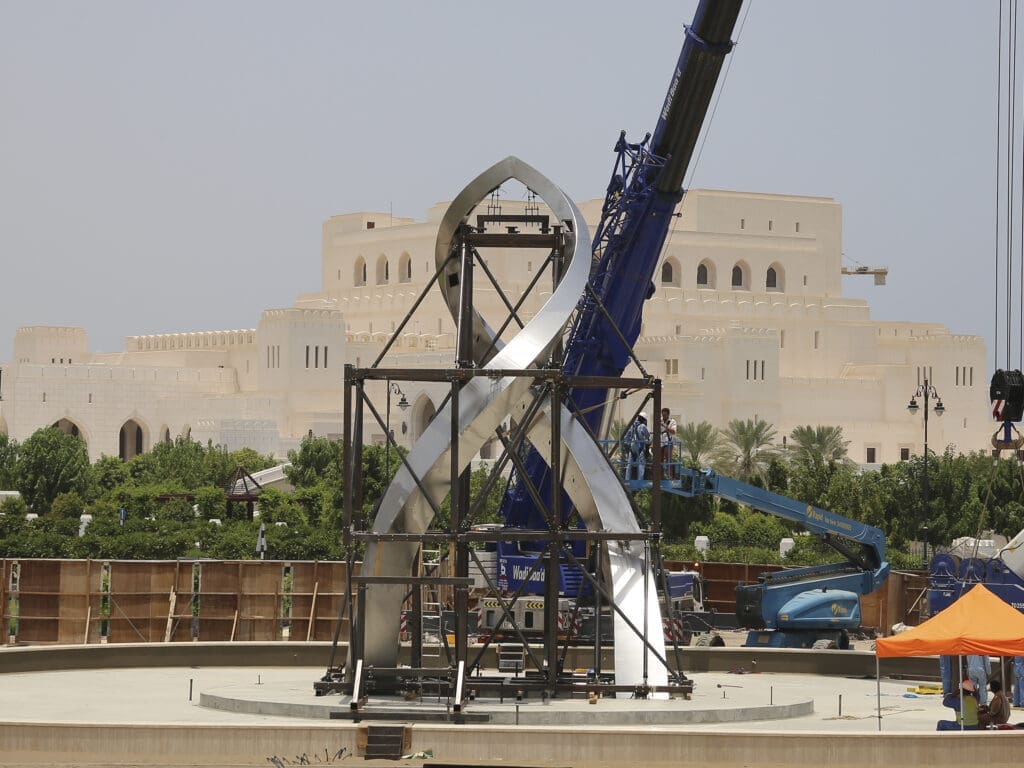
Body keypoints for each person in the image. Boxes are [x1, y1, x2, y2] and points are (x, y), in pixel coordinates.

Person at [623, 413, 650, 482]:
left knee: (629, 464)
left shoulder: (632, 425)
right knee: (641, 464)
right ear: (644, 420)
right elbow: (648, 435)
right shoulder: (643, 426)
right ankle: (640, 482)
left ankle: (627, 480)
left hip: (632, 447)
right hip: (640, 447)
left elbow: (626, 437)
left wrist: (630, 442)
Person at [660, 408, 677, 480]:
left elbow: (673, 431)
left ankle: (670, 476)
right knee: (659, 460)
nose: (663, 416)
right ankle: (660, 476)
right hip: (660, 443)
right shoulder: (660, 421)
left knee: (668, 460)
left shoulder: (672, 421)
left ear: (668, 415)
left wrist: (664, 426)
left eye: (665, 415)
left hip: (668, 443)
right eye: (662, 415)